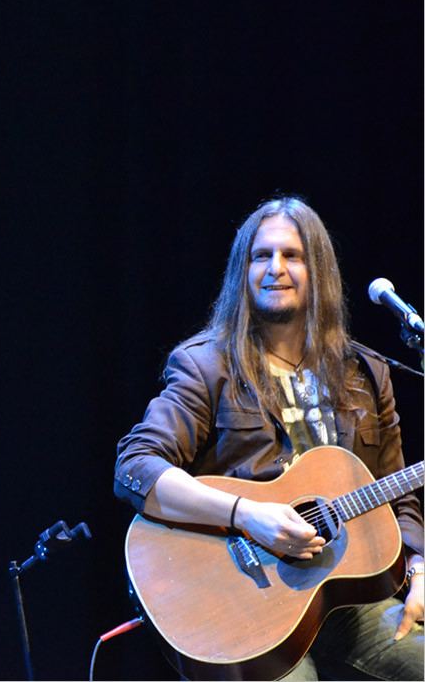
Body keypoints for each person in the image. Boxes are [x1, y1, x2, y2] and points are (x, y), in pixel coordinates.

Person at [114, 197, 423, 680]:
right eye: (262, 255)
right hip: (250, 602)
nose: (275, 268)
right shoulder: (206, 366)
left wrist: (420, 570)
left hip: (350, 595)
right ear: (244, 270)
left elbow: (398, 490)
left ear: (317, 270)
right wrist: (247, 515)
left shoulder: (366, 373)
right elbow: (136, 466)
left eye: (292, 255)